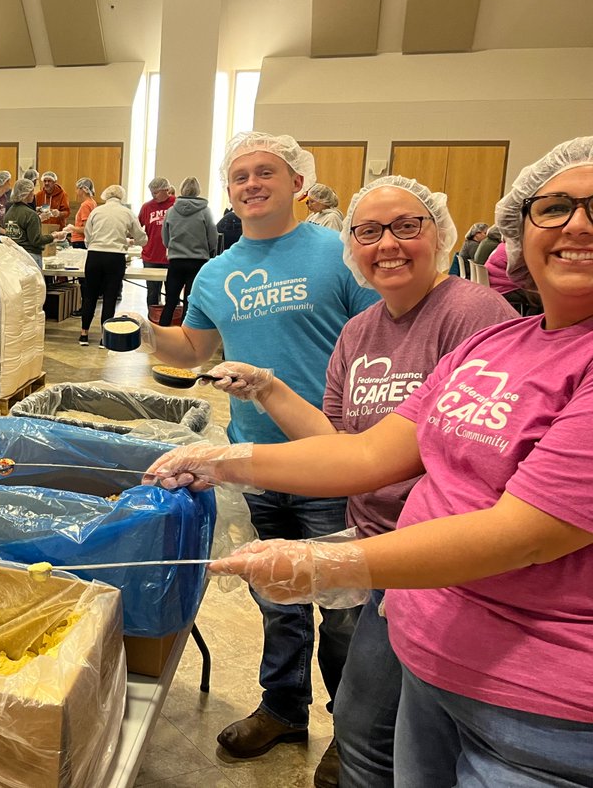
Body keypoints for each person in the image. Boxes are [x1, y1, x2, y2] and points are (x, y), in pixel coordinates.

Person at [152, 135, 593, 788]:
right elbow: (361, 451)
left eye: (406, 226)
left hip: (534, 700)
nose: (577, 224)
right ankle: (291, 710)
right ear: (519, 230)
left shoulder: (471, 315)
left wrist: (327, 560)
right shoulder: (502, 342)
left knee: (346, 678)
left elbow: (528, 533)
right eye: (554, 208)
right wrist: (226, 461)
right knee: (367, 746)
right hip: (430, 639)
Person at [124, 132, 379, 778]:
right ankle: (284, 709)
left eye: (265, 172)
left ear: (298, 182)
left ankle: (353, 736)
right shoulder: (219, 270)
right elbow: (194, 349)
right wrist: (151, 332)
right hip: (254, 460)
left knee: (347, 609)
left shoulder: (338, 255)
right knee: (277, 593)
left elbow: (384, 342)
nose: (251, 184)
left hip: (334, 459)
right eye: (239, 176)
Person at [77, 183, 144, 347]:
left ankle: (84, 334)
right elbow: (141, 237)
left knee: (90, 296)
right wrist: (130, 241)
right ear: (121, 197)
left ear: (105, 196)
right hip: (115, 257)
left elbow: (88, 236)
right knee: (110, 297)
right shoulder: (127, 212)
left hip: (94, 255)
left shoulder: (96, 211)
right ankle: (104, 337)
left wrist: (94, 244)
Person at [159, 176, 217, 327]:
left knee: (170, 302)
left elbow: (165, 240)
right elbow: (213, 239)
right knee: (190, 303)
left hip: (176, 261)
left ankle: (161, 337)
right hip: (198, 262)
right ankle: (186, 336)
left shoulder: (171, 211)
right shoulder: (206, 211)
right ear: (198, 190)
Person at [139, 176, 175, 308]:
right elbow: (137, 227)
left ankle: (171, 323)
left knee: (172, 293)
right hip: (151, 256)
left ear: (166, 190)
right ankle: (153, 321)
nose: (153, 196)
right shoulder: (147, 207)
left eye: (156, 192)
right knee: (152, 293)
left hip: (171, 256)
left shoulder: (176, 204)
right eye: (151, 192)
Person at [3, 178, 56, 267]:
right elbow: (36, 240)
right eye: (32, 191)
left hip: (13, 257)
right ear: (26, 193)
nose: (33, 194)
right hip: (30, 257)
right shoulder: (30, 215)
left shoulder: (9, 213)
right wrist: (54, 236)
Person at [69, 178, 97, 248]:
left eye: (77, 188)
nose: (76, 191)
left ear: (83, 189)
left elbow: (86, 229)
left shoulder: (85, 205)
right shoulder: (93, 203)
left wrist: (71, 228)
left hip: (80, 241)